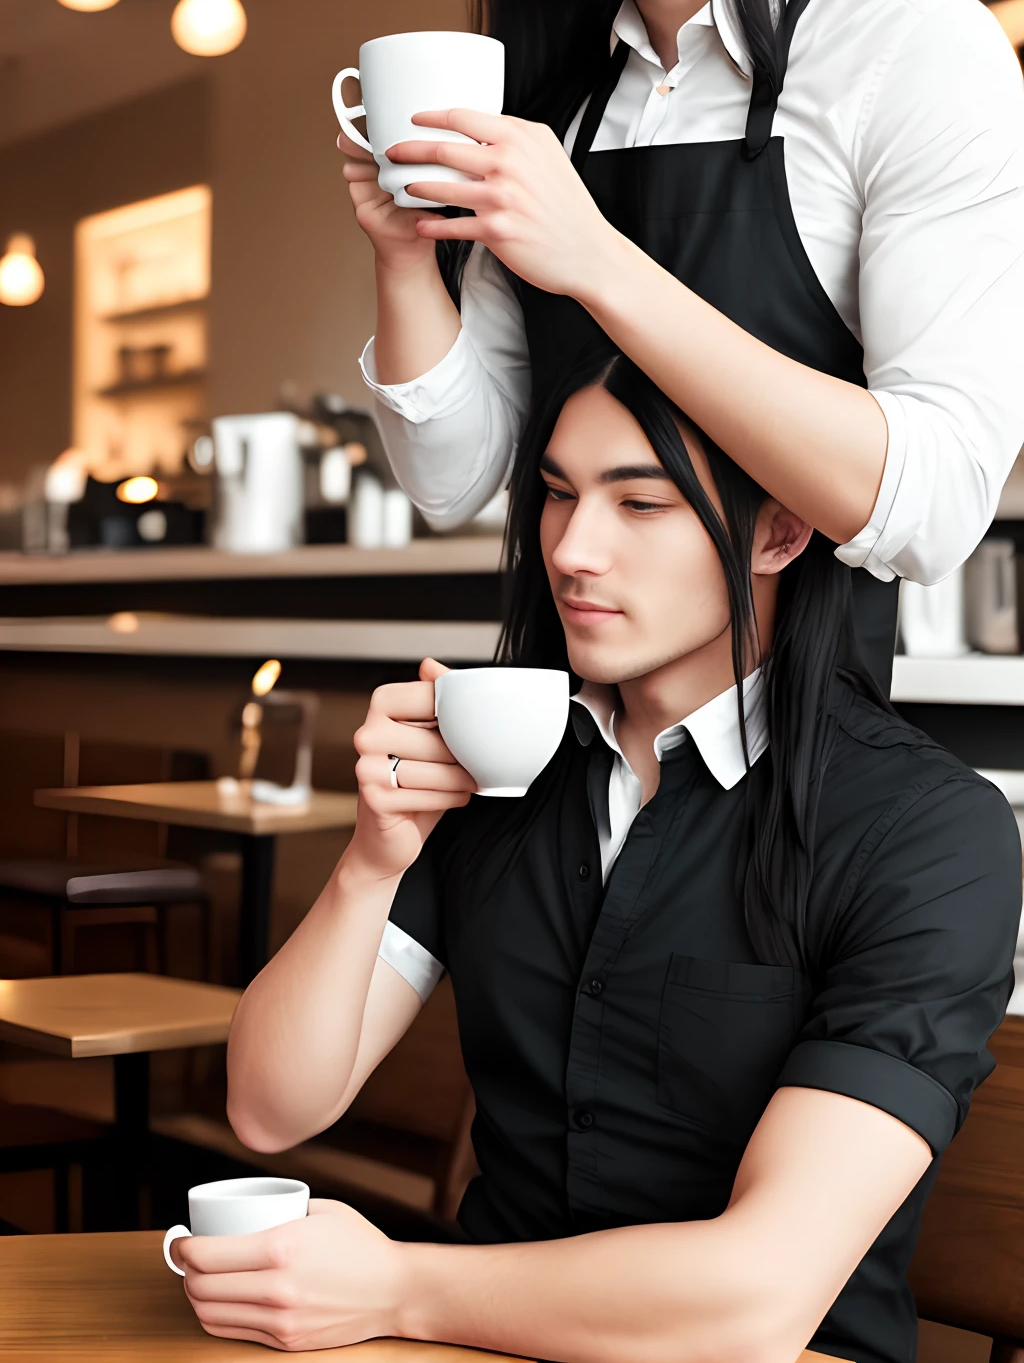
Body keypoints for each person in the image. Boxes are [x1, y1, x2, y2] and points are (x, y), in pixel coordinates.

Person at [190, 352, 1021, 1363]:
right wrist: (371, 861)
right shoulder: (505, 770)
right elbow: (271, 1108)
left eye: (641, 504)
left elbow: (754, 1302)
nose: (573, 550)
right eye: (555, 494)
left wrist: (396, 1288)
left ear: (780, 530)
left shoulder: (926, 832)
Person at [343, 0, 1024, 695]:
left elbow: (932, 506)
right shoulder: (563, 104)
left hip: (805, 786)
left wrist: (597, 261)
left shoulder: (908, 48)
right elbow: (454, 479)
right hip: (567, 770)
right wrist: (400, 253)